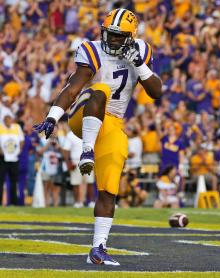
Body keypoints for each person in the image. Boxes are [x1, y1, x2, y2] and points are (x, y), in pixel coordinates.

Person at [33, 8, 162, 265]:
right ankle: (87, 150)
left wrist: (138, 63)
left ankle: (97, 249)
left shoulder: (141, 50)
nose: (111, 40)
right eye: (109, 34)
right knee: (100, 90)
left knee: (109, 188)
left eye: (117, 36)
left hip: (113, 123)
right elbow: (73, 88)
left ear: (130, 36)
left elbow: (156, 91)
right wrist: (52, 116)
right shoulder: (91, 49)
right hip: (84, 113)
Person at [63, 130, 95, 208]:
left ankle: (91, 202)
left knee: (90, 182)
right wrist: (68, 163)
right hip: (75, 161)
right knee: (75, 183)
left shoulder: (89, 132)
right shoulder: (70, 134)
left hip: (88, 159)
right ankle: (77, 202)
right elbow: (66, 150)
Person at [0, 115, 24, 206]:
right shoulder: (0, 128)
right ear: (4, 121)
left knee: (14, 181)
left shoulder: (17, 128)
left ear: (12, 120)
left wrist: (19, 150)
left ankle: (14, 202)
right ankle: (1, 202)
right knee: (1, 181)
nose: (8, 122)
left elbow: (22, 140)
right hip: (3, 159)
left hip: (14, 158)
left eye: (9, 120)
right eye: (6, 121)